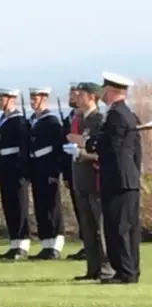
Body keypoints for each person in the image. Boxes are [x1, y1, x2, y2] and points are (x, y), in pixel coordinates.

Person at [86, 72, 140, 284]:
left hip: (119, 179)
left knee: (119, 228)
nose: (102, 94)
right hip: (126, 178)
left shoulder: (117, 115)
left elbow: (113, 147)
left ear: (111, 91)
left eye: (105, 90)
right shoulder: (125, 114)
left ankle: (126, 271)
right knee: (124, 227)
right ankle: (129, 270)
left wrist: (92, 144)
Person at [64, 82, 112, 280]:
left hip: (95, 178)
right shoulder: (78, 119)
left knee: (101, 226)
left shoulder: (99, 120)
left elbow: (104, 153)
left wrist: (83, 153)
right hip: (80, 178)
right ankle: (92, 268)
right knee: (87, 226)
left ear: (92, 96)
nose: (77, 97)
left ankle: (107, 267)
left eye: (81, 94)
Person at [27, 88, 65, 259]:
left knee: (52, 206)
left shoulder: (51, 121)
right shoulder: (32, 121)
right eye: (32, 98)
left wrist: (55, 170)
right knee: (40, 206)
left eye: (36, 98)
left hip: (48, 168)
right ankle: (46, 243)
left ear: (44, 99)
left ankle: (55, 244)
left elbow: (58, 148)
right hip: (36, 168)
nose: (33, 101)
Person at [0, 88, 31, 260]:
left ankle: (22, 244)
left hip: (15, 168)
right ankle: (14, 242)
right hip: (4, 167)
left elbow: (23, 146)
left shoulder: (19, 121)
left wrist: (22, 168)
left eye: (2, 98)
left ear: (11, 100)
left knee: (19, 205)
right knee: (9, 205)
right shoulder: (2, 120)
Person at [61, 84, 86, 260]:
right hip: (72, 170)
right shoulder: (68, 119)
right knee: (80, 210)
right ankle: (86, 244)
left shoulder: (87, 118)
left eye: (75, 94)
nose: (72, 98)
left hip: (87, 168)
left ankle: (92, 245)